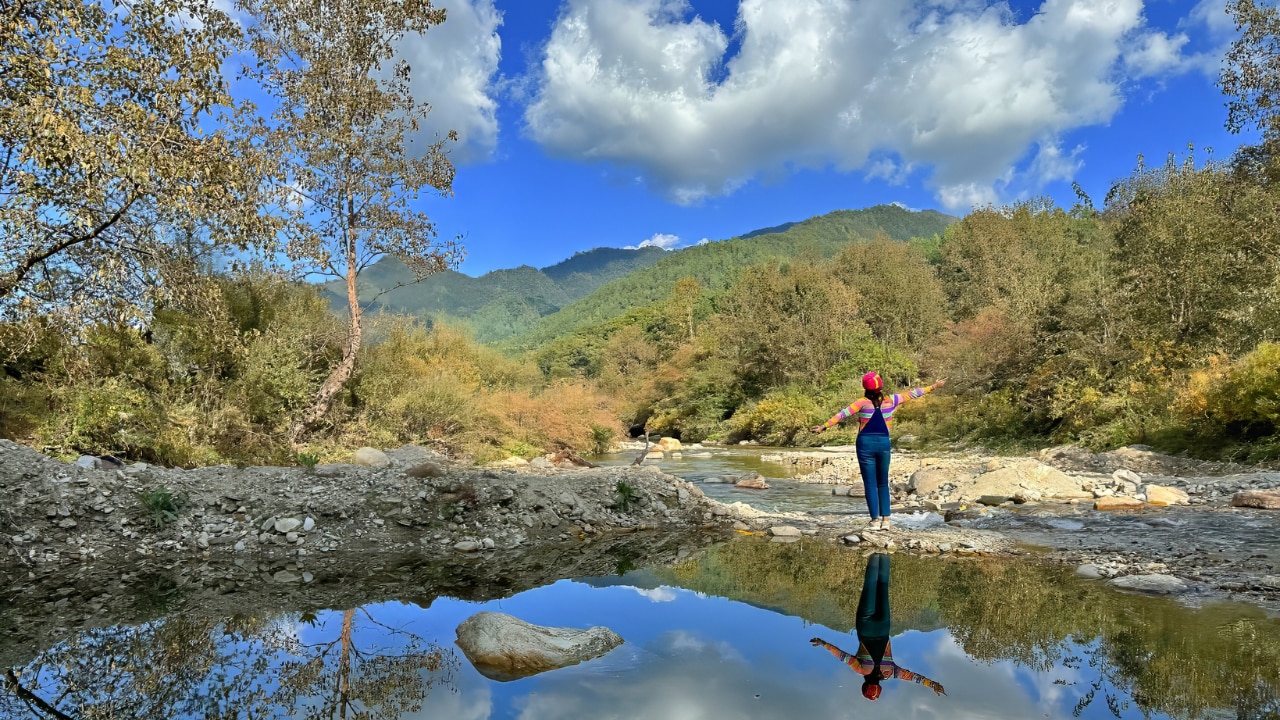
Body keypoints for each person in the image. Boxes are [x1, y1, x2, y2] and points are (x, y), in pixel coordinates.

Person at [811, 372, 944, 530]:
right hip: (883, 445)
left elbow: (842, 415)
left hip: (865, 445)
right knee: (883, 483)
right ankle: (886, 521)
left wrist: (823, 427)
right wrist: (933, 387)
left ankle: (875, 521)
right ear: (881, 386)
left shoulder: (861, 403)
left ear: (864, 387)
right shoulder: (891, 400)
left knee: (870, 484)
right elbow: (913, 394)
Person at [810, 553, 946, 699]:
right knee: (870, 586)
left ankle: (885, 551)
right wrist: (824, 644)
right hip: (866, 626)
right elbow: (842, 656)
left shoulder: (890, 672)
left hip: (883, 627)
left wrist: (932, 684)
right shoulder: (861, 669)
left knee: (883, 587)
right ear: (864, 686)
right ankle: (875, 552)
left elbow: (913, 677)